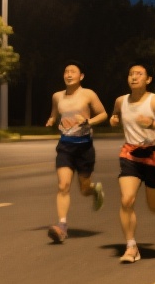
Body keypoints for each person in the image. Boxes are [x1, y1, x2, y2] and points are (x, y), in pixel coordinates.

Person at [108, 63, 155, 263]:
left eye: (139, 74)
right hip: (130, 154)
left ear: (148, 80)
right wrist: (114, 119)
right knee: (126, 200)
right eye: (131, 74)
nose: (134, 77)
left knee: (153, 207)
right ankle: (131, 247)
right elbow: (116, 113)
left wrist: (153, 123)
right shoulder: (121, 101)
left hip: (152, 157)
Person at [44, 62, 109, 243]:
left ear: (81, 76)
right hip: (65, 146)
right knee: (63, 185)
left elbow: (103, 114)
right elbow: (54, 113)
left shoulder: (88, 94)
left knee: (84, 189)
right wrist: (51, 120)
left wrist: (88, 121)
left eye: (73, 72)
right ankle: (62, 226)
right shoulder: (57, 96)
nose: (68, 74)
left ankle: (94, 190)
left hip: (84, 148)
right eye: (66, 71)